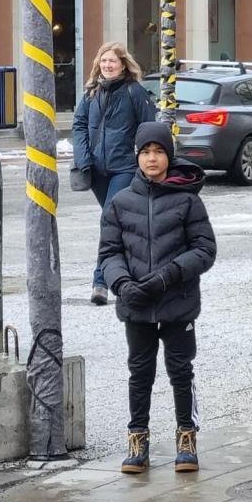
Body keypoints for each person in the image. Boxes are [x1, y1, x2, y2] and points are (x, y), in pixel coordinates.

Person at [99, 122, 217, 475]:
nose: (152, 159)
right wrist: (122, 285)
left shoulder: (187, 200)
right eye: (146, 152)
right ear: (138, 155)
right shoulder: (120, 202)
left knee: (181, 372)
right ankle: (138, 440)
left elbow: (205, 250)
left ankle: (187, 437)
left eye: (159, 151)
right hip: (136, 305)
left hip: (177, 303)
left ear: (169, 155)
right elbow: (108, 253)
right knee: (140, 373)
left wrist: (168, 275)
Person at [74, 41, 158, 305]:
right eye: (103, 61)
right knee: (120, 226)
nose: (107, 65)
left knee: (110, 221)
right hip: (97, 170)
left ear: (123, 64)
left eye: (112, 61)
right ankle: (132, 273)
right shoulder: (91, 93)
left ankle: (100, 282)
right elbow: (78, 125)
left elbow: (149, 130)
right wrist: (83, 158)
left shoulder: (134, 92)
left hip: (124, 168)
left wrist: (147, 163)